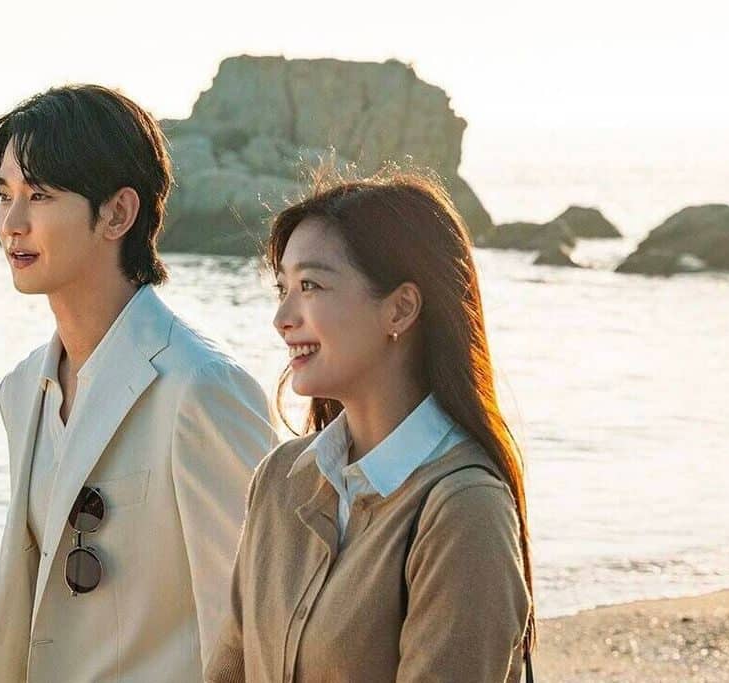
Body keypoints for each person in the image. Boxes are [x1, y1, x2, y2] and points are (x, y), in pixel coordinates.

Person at [0, 85, 278, 683]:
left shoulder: (202, 388)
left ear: (117, 213)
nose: (12, 223)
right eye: (5, 195)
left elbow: (251, 628)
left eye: (39, 195)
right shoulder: (22, 389)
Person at [205, 170, 536, 682]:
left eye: (310, 286)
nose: (282, 318)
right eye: (282, 288)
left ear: (400, 309)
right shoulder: (279, 478)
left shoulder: (464, 509)